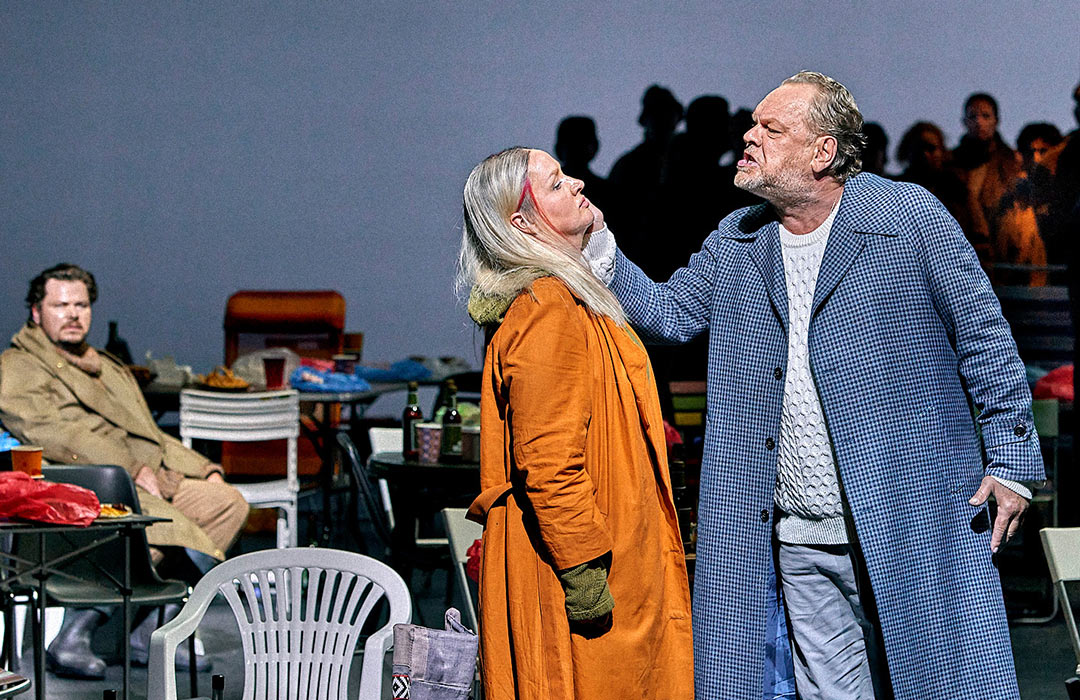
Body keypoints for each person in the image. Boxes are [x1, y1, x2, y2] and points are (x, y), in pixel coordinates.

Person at [583, 72, 1043, 699]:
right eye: (753, 125)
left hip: (909, 519)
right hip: (798, 534)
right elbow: (670, 314)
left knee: (944, 682)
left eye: (770, 129)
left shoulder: (906, 220)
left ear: (823, 151)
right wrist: (595, 246)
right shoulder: (739, 239)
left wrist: (1012, 461)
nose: (748, 137)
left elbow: (984, 336)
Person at [459, 147, 693, 699]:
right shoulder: (547, 307)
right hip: (580, 570)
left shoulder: (565, 297)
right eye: (558, 184)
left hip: (605, 552)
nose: (579, 183)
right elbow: (548, 461)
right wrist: (584, 573)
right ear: (521, 222)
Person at [0, 263, 250, 678]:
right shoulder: (17, 366)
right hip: (86, 481)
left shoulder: (107, 367)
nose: (73, 314)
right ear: (35, 311)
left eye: (81, 304)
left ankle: (153, 623)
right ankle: (77, 633)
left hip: (146, 474)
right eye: (60, 305)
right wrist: (131, 468)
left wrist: (205, 469)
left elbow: (148, 432)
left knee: (224, 503)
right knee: (164, 524)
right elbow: (50, 430)